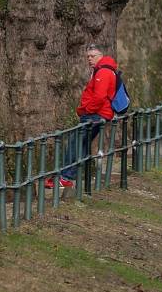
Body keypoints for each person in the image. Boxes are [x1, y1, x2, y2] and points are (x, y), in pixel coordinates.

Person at [49, 44, 118, 188]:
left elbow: (99, 97)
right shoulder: (102, 70)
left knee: (75, 142)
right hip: (97, 114)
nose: (90, 59)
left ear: (101, 56)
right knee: (82, 144)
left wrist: (86, 110)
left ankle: (65, 177)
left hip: (95, 115)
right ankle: (70, 176)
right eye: (88, 56)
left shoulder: (103, 72)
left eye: (93, 56)